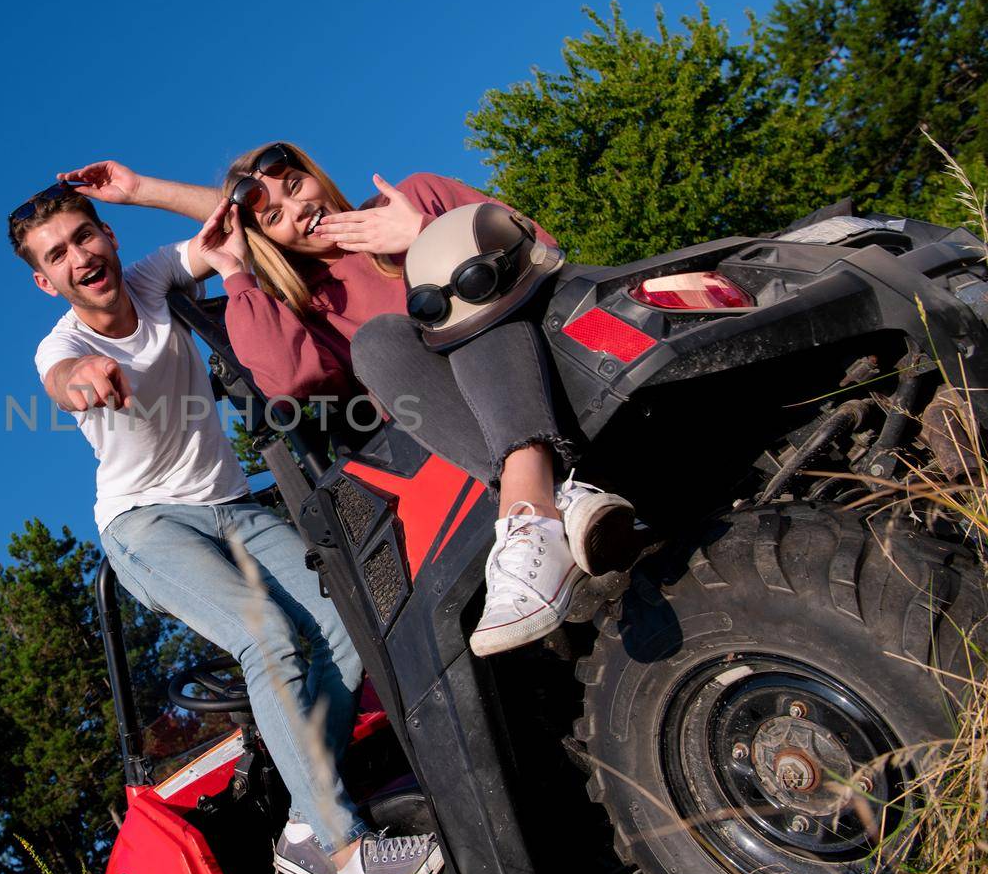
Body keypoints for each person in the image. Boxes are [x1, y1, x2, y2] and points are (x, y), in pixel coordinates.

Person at [10, 181, 443, 874]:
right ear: (44, 280)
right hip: (145, 524)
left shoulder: (151, 277)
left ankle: (308, 821)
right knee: (264, 633)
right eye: (58, 254)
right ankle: (349, 857)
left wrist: (140, 186)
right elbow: (59, 378)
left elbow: (237, 221)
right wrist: (80, 383)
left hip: (231, 505)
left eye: (86, 236)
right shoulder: (64, 344)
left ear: (108, 236)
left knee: (351, 615)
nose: (80, 256)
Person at [59, 148, 639, 656]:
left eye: (295, 186)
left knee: (465, 291)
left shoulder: (415, 197)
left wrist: (428, 237)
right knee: (381, 338)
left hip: (546, 366)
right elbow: (286, 381)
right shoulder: (311, 303)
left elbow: (542, 249)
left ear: (315, 173)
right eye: (274, 218)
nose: (298, 209)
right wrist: (235, 271)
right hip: (445, 428)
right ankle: (553, 499)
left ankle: (532, 505)